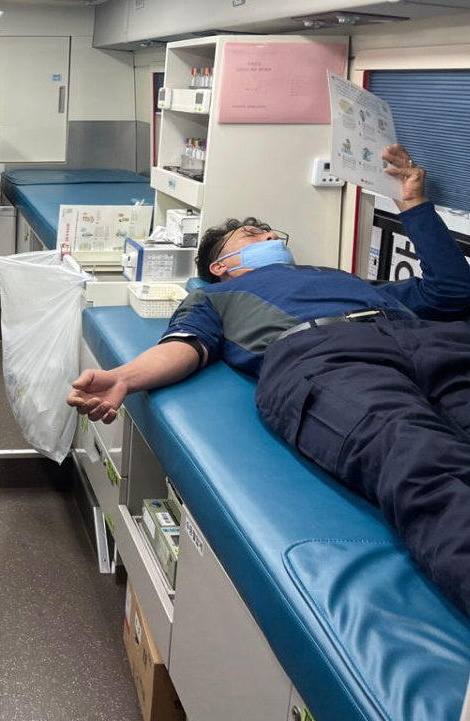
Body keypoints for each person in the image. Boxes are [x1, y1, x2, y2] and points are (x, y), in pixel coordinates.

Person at [68, 144, 470, 616]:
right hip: (325, 356)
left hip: (428, 344)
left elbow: (451, 291)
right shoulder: (217, 297)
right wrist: (122, 378)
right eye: (251, 234)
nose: (270, 235)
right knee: (418, 456)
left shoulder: (342, 277)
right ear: (220, 267)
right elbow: (184, 347)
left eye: (270, 231)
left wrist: (414, 204)